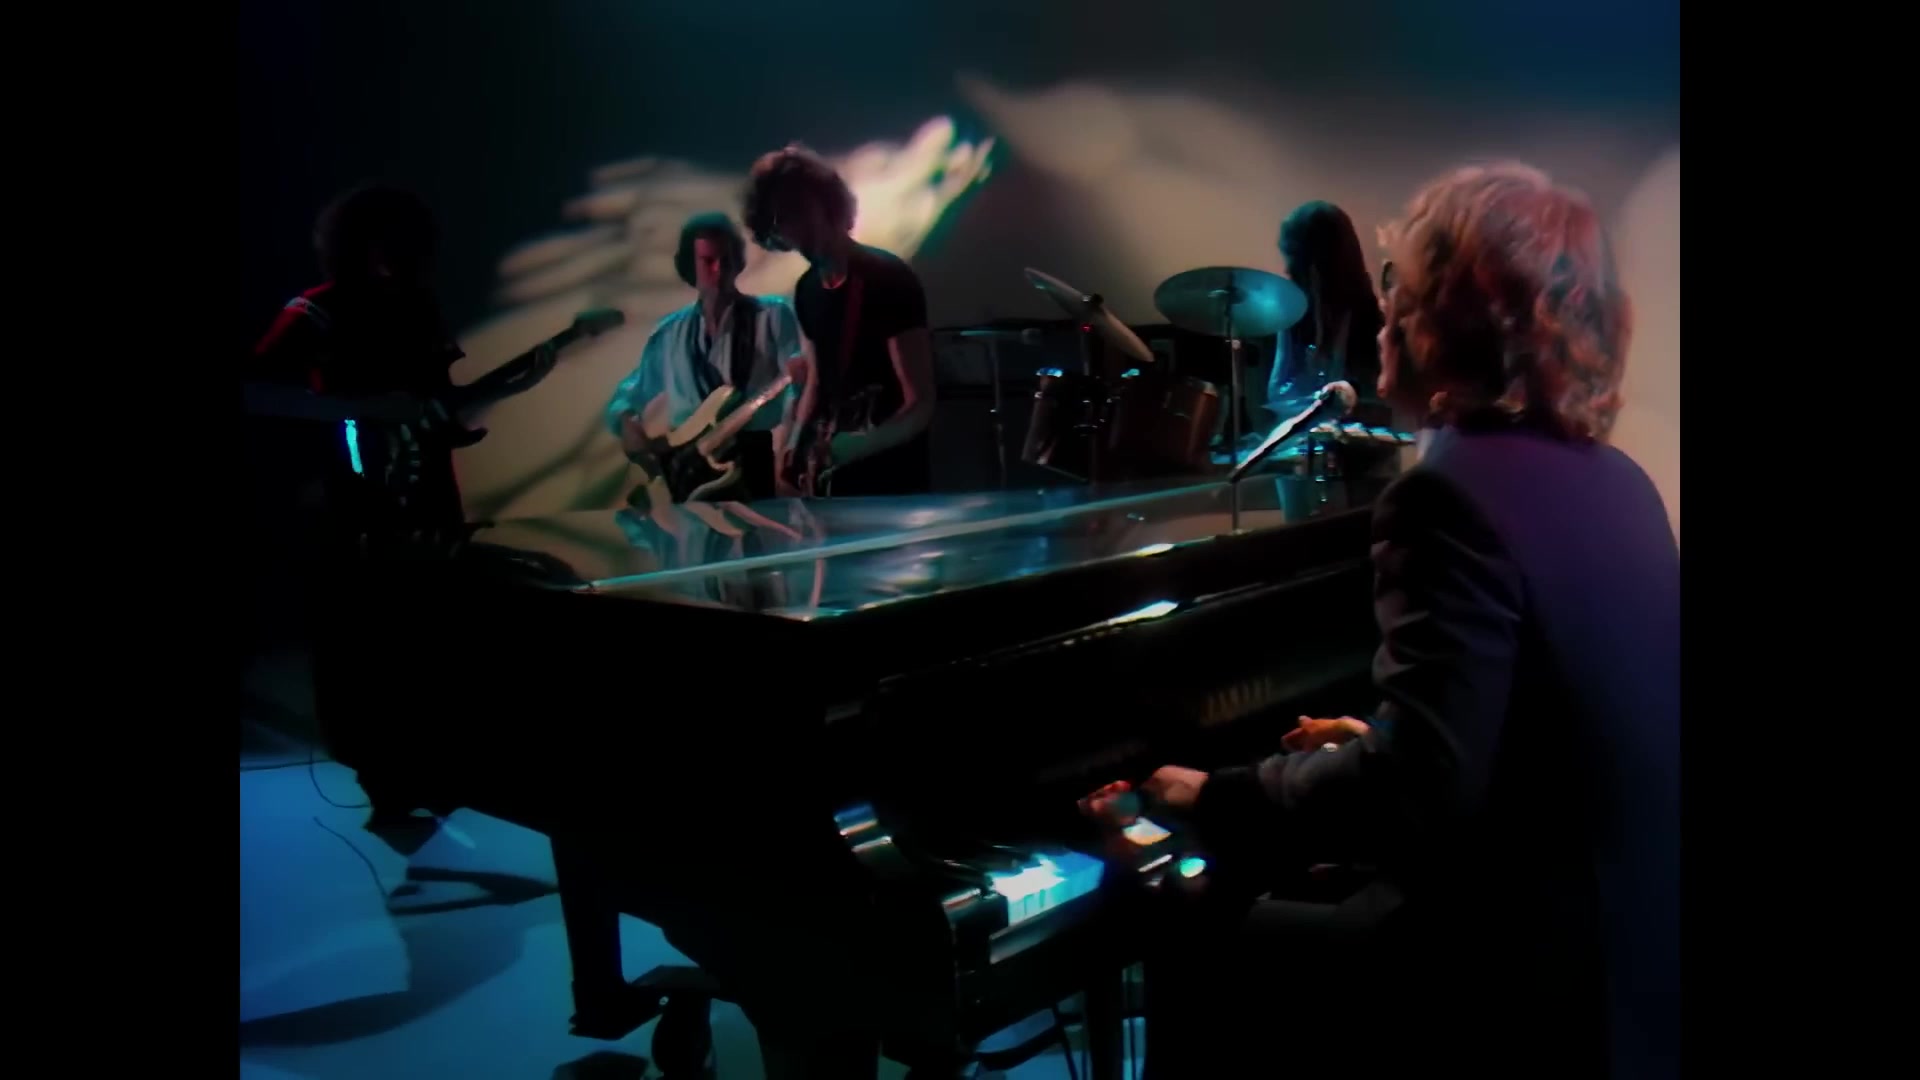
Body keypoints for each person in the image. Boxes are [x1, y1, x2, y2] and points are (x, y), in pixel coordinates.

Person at [1086, 164, 1678, 1079]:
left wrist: (1224, 796)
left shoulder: (1447, 495)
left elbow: (1422, 793)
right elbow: (1548, 736)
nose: (1384, 315)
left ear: (1451, 321)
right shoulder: (1620, 481)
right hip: (1639, 951)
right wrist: (1378, 740)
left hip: (1527, 975)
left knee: (1179, 918)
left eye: (1403, 289)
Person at [248, 185, 558, 830]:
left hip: (430, 504)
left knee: (433, 639)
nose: (393, 264)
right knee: (364, 646)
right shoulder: (315, 312)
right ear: (359, 247)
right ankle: (382, 778)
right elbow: (254, 390)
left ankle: (434, 773)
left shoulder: (419, 307)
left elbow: (437, 408)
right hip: (351, 506)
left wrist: (514, 385)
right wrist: (361, 409)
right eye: (383, 249)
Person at [742, 144, 936, 496]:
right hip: (835, 482)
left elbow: (920, 403)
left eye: (798, 211)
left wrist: (857, 447)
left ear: (828, 204)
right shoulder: (806, 290)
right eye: (781, 220)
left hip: (891, 481)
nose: (793, 230)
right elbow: (816, 382)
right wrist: (794, 445)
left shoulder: (889, 277)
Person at [604, 212, 804, 501]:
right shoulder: (669, 334)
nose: (719, 270)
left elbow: (799, 389)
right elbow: (630, 393)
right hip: (686, 468)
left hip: (756, 461)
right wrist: (626, 420)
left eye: (726, 260)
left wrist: (788, 451)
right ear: (689, 266)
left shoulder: (773, 317)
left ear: (738, 262)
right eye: (708, 261)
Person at [1263, 200, 1386, 425]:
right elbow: (1277, 393)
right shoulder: (1293, 313)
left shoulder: (1369, 322)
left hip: (1352, 442)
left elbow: (1379, 404)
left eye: (1294, 261)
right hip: (1299, 435)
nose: (1288, 270)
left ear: (1316, 266)